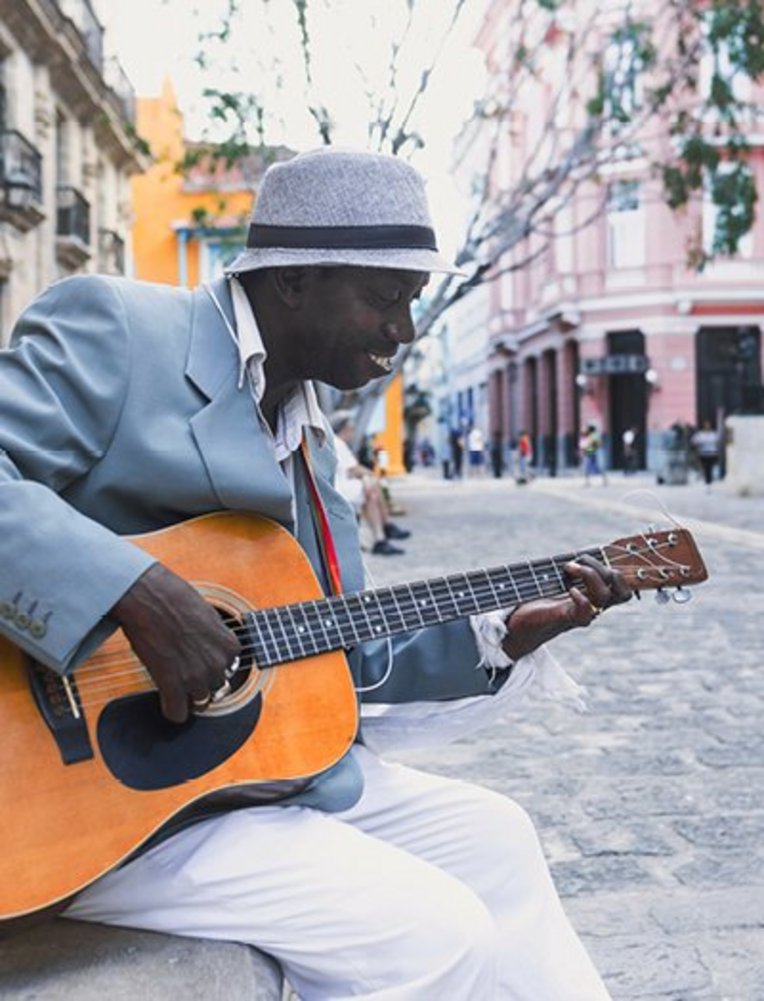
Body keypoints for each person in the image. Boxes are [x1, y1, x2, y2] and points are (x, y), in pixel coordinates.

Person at [0, 147, 632, 999]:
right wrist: (133, 593)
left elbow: (333, 655)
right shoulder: (116, 327)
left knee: (497, 834)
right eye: (384, 298)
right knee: (431, 935)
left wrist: (499, 635)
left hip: (239, 779)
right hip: (93, 802)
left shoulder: (312, 448)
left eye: (408, 303)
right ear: (292, 280)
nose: (402, 333)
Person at [332, 411, 410, 555]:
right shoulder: (337, 443)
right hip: (340, 488)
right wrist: (369, 476)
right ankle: (384, 530)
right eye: (352, 429)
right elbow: (354, 469)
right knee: (371, 487)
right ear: (345, 429)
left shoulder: (336, 443)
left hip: (341, 485)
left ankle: (382, 535)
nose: (353, 432)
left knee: (371, 491)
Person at [692, 419, 720, 490]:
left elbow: (718, 442)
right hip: (703, 454)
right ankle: (708, 483)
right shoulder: (700, 434)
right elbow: (694, 442)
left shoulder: (713, 434)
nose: (707, 426)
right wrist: (699, 444)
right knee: (706, 468)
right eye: (706, 425)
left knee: (710, 468)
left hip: (712, 453)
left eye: (708, 425)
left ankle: (709, 482)